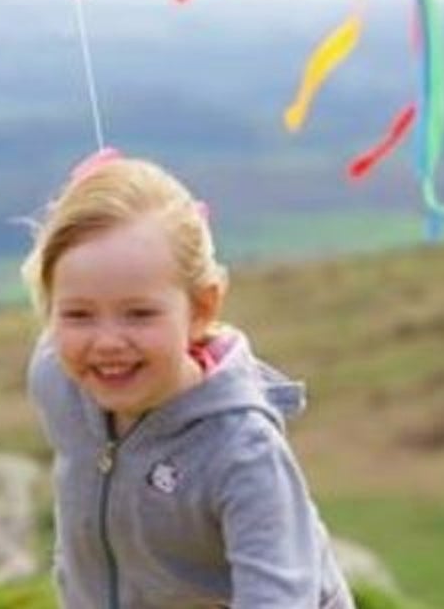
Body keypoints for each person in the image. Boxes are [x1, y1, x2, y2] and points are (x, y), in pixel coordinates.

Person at [22, 149, 355, 608]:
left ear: (201, 308)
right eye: (78, 314)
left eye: (139, 313)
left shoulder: (241, 452)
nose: (107, 342)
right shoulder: (57, 380)